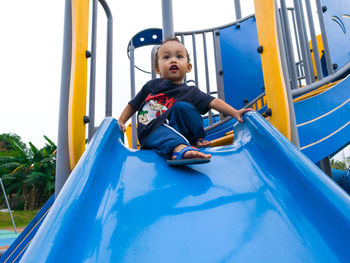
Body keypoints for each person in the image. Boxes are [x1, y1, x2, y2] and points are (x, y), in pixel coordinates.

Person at [118, 37, 252, 165]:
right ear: (158, 69)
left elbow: (213, 102)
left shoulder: (191, 91)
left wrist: (235, 112)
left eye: (179, 56)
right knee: (164, 132)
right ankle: (180, 150)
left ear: (188, 67)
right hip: (151, 130)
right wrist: (121, 120)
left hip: (174, 129)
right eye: (166, 57)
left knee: (184, 107)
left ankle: (195, 139)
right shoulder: (152, 86)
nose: (173, 60)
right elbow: (133, 104)